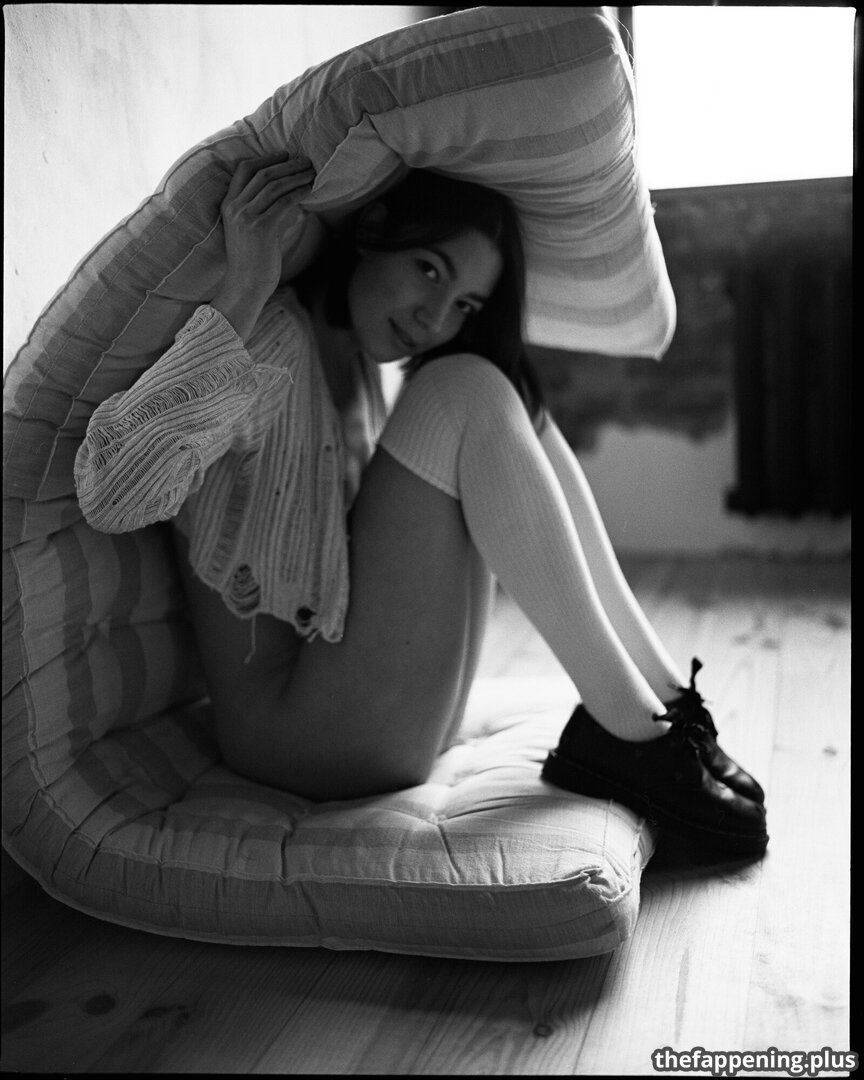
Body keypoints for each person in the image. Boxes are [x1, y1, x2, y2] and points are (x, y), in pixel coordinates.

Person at [75, 155, 768, 855]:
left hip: (375, 708)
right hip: (295, 734)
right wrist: (244, 290)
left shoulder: (358, 361)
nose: (435, 317)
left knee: (502, 384)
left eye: (464, 304)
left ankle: (662, 706)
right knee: (465, 386)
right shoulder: (272, 339)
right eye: (430, 270)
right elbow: (112, 496)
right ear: (373, 230)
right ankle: (632, 735)